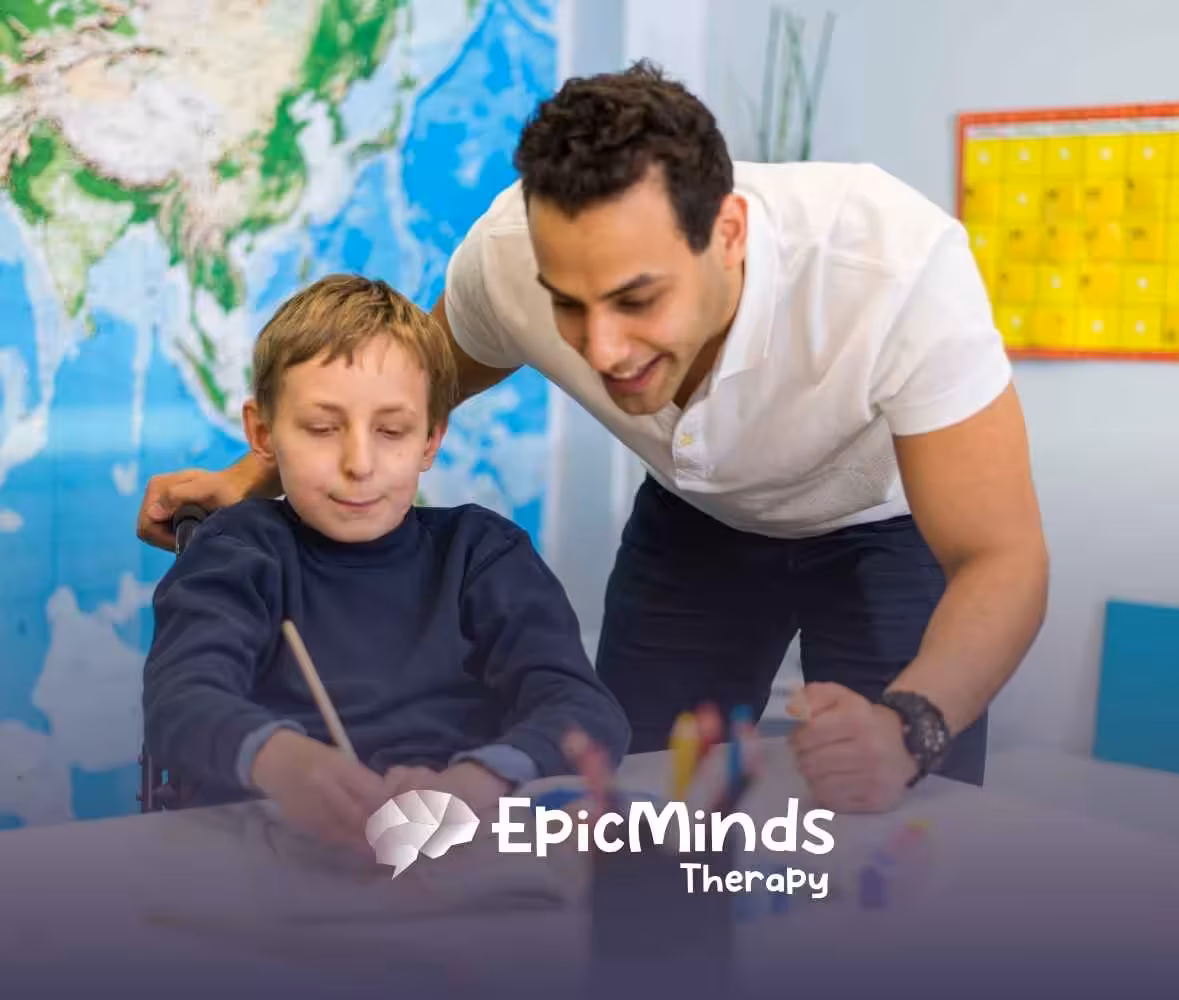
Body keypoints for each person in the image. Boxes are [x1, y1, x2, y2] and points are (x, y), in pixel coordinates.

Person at [138, 62, 1049, 815]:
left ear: (726, 234)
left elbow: (1002, 558)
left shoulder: (893, 266)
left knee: (890, 801)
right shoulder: (506, 260)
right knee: (634, 800)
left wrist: (913, 727)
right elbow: (391, 393)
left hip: (883, 524)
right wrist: (248, 479)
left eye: (636, 299)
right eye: (567, 306)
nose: (603, 351)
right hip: (696, 519)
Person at [142, 275, 630, 850]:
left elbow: (583, 709)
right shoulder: (237, 551)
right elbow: (181, 698)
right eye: (323, 428)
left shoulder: (482, 553)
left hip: (453, 854)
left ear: (430, 439)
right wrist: (285, 764)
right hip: (269, 854)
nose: (360, 463)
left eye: (392, 431)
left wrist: (474, 783)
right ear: (263, 433)